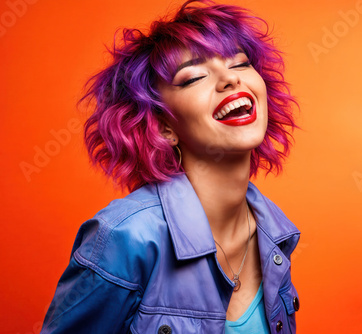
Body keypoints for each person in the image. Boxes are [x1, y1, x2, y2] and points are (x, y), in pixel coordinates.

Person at [41, 0, 300, 333]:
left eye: (240, 63)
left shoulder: (273, 233)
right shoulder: (126, 239)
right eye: (192, 78)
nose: (229, 80)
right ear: (163, 125)